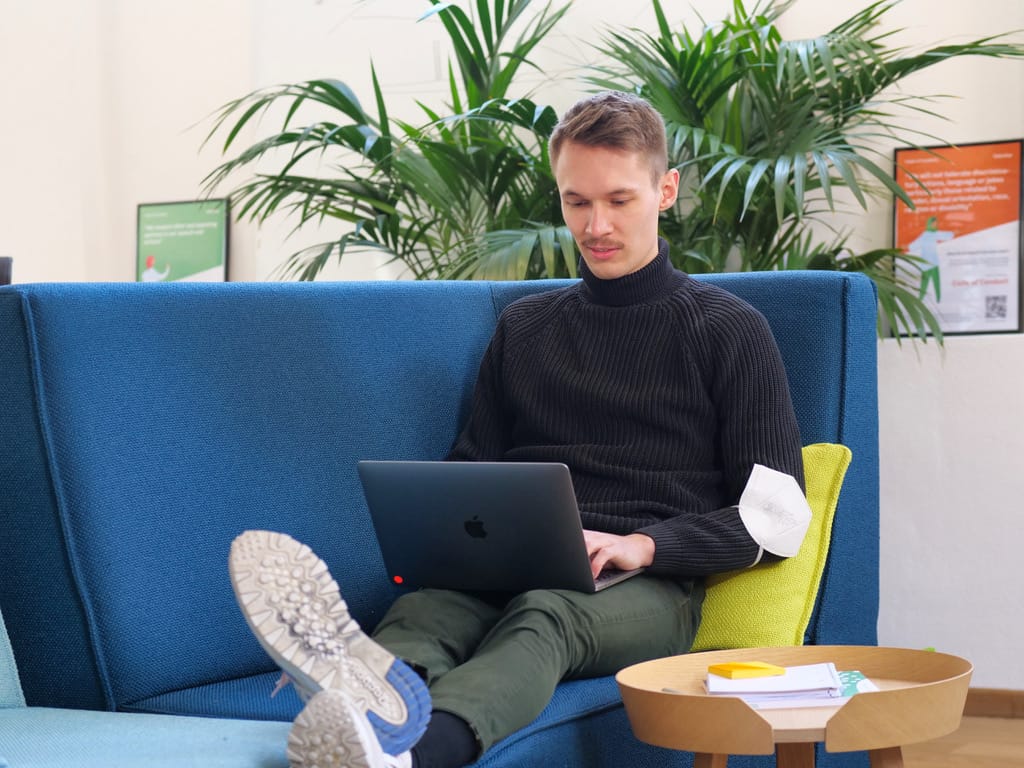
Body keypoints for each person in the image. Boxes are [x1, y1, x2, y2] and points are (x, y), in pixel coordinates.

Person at [228, 90, 808, 768]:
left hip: (647, 589)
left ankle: (416, 753)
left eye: (619, 201)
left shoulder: (729, 330)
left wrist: (644, 546)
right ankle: (364, 713)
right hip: (505, 563)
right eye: (576, 201)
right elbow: (474, 466)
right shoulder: (526, 328)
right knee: (429, 610)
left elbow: (778, 519)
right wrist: (438, 535)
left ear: (666, 190)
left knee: (546, 614)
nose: (596, 225)